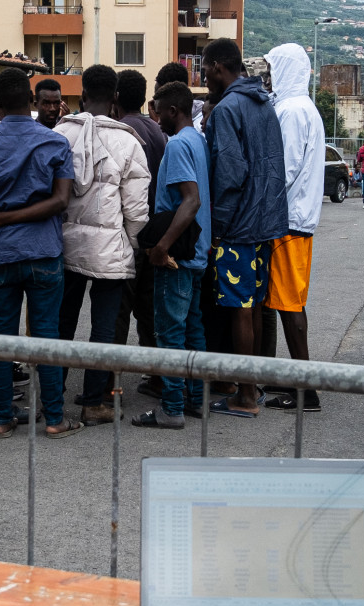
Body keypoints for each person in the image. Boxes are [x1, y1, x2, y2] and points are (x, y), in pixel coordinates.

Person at [0, 67, 83, 439]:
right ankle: (54, 418)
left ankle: (1, 418)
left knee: (2, 335)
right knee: (47, 334)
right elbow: (61, 200)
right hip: (44, 252)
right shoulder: (55, 142)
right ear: (32, 101)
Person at [54, 65, 150, 426]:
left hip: (64, 246)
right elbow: (137, 207)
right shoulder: (128, 142)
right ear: (115, 99)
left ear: (81, 95)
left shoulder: (60, 133)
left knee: (61, 323)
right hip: (111, 249)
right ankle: (93, 402)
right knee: (104, 328)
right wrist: (137, 243)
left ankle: (53, 397)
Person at [201, 37, 288, 418]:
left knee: (238, 310)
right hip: (265, 225)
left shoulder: (226, 111)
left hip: (237, 228)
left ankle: (247, 395)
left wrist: (217, 229)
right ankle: (250, 389)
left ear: (219, 67)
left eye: (204, 69)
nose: (204, 77)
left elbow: (231, 175)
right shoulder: (264, 105)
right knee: (252, 308)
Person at [131, 81, 211, 430]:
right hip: (196, 252)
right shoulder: (197, 139)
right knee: (193, 329)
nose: (156, 116)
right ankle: (195, 400)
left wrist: (161, 247)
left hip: (177, 254)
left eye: (159, 110)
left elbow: (190, 200)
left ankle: (172, 407)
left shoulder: (178, 145)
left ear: (173, 111)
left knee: (170, 332)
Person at [260, 42, 326, 414]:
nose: (267, 78)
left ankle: (307, 390)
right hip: (297, 219)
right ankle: (298, 379)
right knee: (290, 302)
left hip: (287, 221)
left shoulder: (291, 111)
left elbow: (280, 171)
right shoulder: (303, 108)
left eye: (271, 70)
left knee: (289, 304)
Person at [113, 69, 167, 399]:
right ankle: (157, 374)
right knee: (149, 309)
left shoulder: (122, 131)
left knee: (118, 309)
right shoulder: (157, 132)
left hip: (128, 233)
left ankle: (112, 382)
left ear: (117, 98)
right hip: (155, 231)